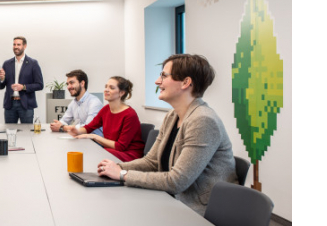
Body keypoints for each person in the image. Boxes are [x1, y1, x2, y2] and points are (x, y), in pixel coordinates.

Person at [96, 55, 237, 214]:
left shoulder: (203, 120)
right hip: (175, 200)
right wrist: (116, 168)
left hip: (201, 210)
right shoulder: (172, 116)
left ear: (186, 83)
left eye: (164, 76)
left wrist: (122, 174)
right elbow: (152, 162)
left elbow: (177, 181)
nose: (157, 81)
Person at [68, 76, 144, 162]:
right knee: (90, 153)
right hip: (111, 151)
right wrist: (76, 130)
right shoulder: (106, 109)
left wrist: (94, 136)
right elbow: (88, 128)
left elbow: (120, 146)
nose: (106, 90)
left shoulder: (130, 115)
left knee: (95, 155)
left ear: (121, 93)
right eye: (106, 87)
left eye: (111, 88)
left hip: (128, 154)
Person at [0, 36, 44, 124]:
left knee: (26, 135)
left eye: (18, 44)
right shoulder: (7, 64)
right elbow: (1, 86)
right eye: (14, 44)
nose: (16, 47)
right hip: (10, 105)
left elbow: (40, 85)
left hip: (26, 105)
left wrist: (23, 87)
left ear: (24, 46)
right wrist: (2, 79)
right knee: (10, 132)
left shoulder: (33, 63)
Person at [49, 69, 103, 136]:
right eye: (68, 84)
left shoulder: (94, 102)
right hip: (80, 139)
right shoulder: (73, 103)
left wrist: (63, 127)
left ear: (82, 83)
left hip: (94, 142)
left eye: (72, 83)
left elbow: (87, 128)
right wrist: (56, 125)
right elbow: (64, 120)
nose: (68, 87)